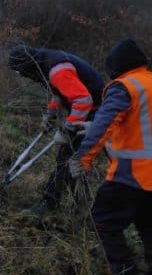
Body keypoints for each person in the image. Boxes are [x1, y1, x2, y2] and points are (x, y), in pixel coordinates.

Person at [69, 38, 152, 275]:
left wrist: (82, 159)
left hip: (135, 175)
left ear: (116, 68)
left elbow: (105, 122)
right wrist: (93, 128)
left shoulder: (124, 86)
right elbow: (137, 126)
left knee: (104, 217)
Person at [8, 45, 105, 212]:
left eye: (23, 72)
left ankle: (49, 203)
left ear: (27, 66)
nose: (25, 77)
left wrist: (67, 129)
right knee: (74, 158)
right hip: (91, 111)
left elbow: (83, 100)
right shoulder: (46, 64)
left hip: (95, 113)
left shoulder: (56, 70)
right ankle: (80, 202)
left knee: (66, 157)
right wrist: (50, 114)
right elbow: (60, 92)